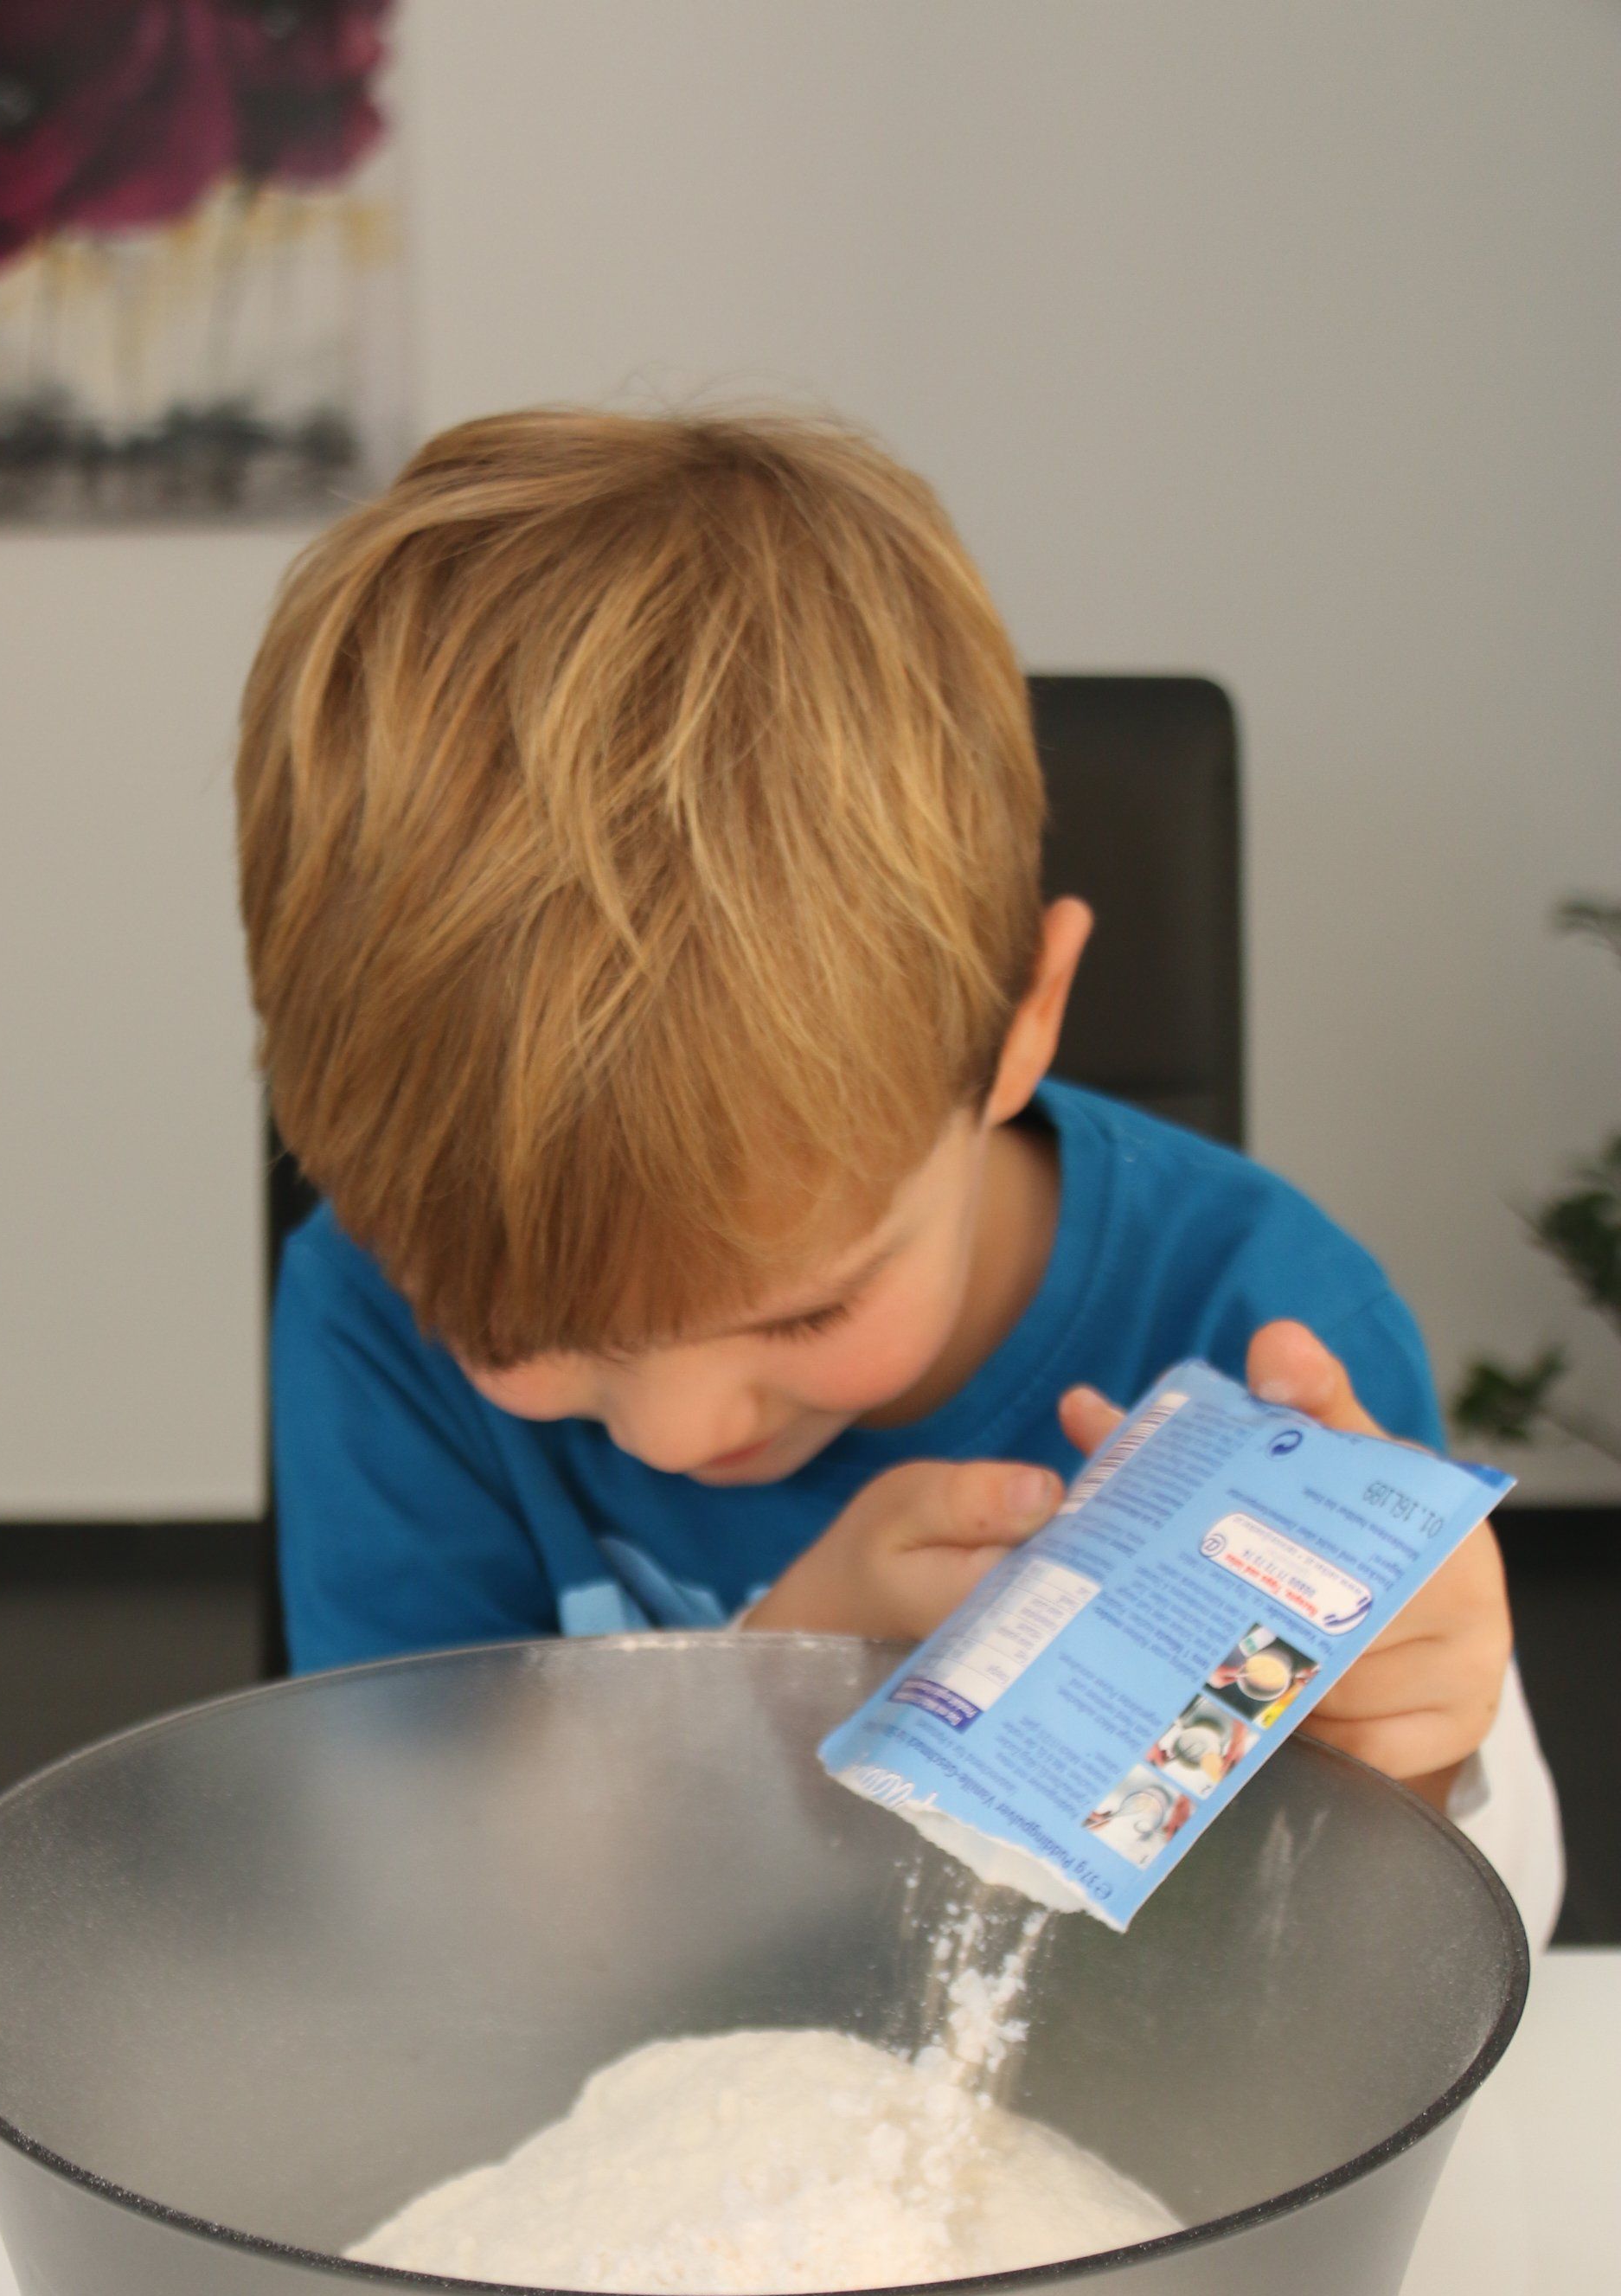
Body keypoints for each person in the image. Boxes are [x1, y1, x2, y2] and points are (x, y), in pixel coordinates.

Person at [240, 407, 1562, 1943]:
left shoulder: (1265, 1320)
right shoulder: (369, 1314)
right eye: (524, 1333)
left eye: (806, 1312)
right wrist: (766, 1696)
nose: (677, 1431)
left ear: (1023, 1025)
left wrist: (1432, 1765)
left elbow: (1363, 1965)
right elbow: (411, 1916)